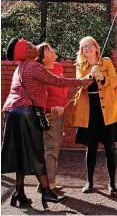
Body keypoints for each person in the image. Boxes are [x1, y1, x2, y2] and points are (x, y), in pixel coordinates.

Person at [1, 37, 93, 210]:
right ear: (26, 53)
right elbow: (57, 81)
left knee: (21, 155)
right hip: (26, 114)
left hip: (11, 114)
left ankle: (19, 192)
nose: (34, 46)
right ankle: (46, 191)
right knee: (37, 152)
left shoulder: (19, 69)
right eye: (29, 46)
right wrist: (82, 81)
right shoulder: (34, 66)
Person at [69, 36, 117, 197]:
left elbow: (114, 82)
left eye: (89, 46)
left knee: (110, 147)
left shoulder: (106, 62)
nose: (87, 49)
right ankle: (89, 181)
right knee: (91, 146)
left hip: (107, 110)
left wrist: (102, 77)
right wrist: (90, 76)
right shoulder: (80, 65)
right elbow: (79, 83)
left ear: (96, 48)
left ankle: (113, 184)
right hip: (89, 111)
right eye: (83, 47)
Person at [36, 42, 67, 193]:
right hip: (50, 114)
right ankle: (49, 186)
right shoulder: (41, 73)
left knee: (55, 148)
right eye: (48, 50)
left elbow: (63, 86)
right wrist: (49, 110)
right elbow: (37, 98)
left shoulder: (58, 67)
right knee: (50, 149)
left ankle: (45, 183)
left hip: (61, 113)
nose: (53, 50)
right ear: (42, 58)